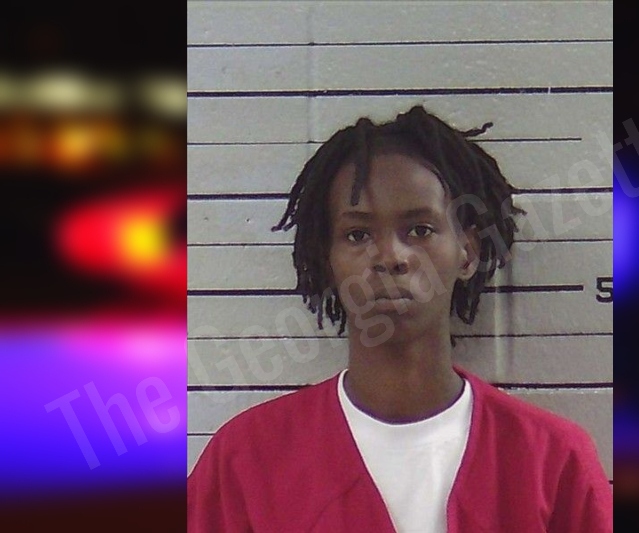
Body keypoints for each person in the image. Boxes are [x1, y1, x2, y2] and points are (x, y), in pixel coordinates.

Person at [187, 106, 612, 532]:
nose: (391, 256)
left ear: (467, 252)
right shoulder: (245, 461)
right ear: (327, 260)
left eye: (420, 230)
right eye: (358, 234)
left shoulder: (553, 463)